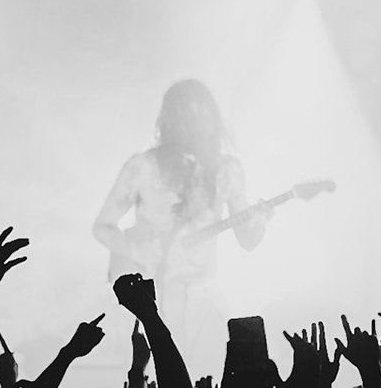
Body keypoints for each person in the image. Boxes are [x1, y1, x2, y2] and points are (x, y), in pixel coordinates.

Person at [92, 80, 268, 349]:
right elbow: (102, 227)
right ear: (171, 121)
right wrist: (139, 250)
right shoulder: (143, 167)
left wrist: (260, 222)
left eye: (202, 115)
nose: (196, 125)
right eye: (187, 116)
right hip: (154, 294)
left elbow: (247, 240)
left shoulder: (227, 169)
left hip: (203, 294)